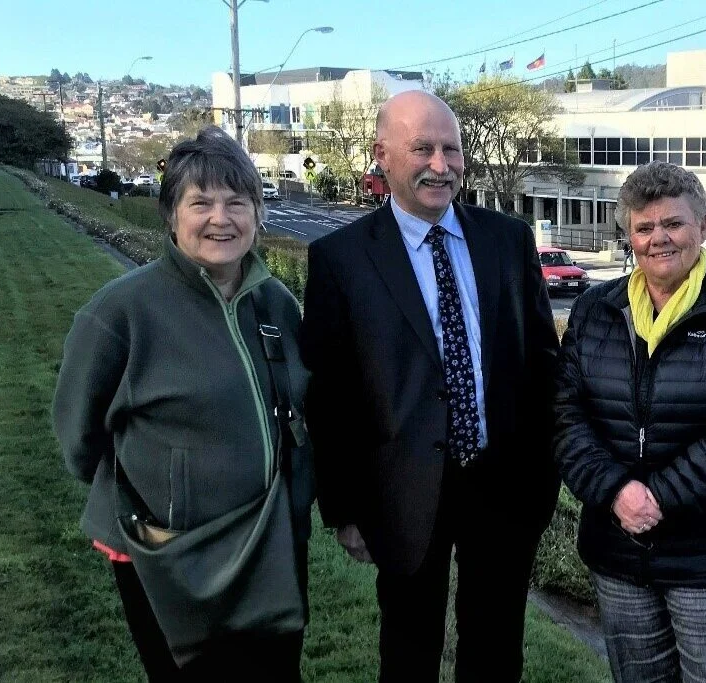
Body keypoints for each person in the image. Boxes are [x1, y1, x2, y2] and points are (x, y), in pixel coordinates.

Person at [300, 90, 560, 683]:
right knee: (409, 652)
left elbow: (543, 361)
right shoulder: (340, 260)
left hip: (503, 484)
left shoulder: (508, 240)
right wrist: (342, 508)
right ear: (382, 155)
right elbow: (330, 395)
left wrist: (546, 476)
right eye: (422, 148)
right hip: (403, 491)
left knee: (496, 651)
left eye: (451, 148)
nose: (440, 165)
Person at [53, 126, 314, 681]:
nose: (221, 218)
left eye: (237, 202)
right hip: (170, 554)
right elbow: (79, 437)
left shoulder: (276, 303)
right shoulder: (120, 313)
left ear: (257, 213)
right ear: (171, 215)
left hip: (266, 542)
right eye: (201, 203)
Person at [553, 161, 706, 682]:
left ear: (704, 226)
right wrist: (617, 491)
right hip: (619, 551)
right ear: (629, 235)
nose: (658, 238)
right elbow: (566, 416)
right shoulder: (597, 309)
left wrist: (658, 496)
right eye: (644, 227)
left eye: (674, 224)